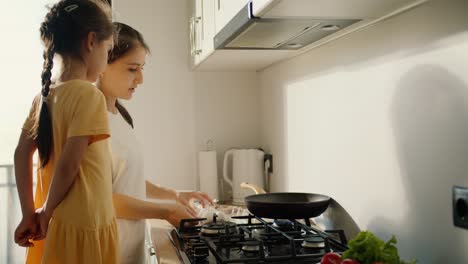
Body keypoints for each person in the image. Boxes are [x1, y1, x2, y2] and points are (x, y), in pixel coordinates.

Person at [96, 22, 214, 263]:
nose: (140, 79)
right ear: (100, 65)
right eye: (132, 69)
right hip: (107, 251)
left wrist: (172, 194)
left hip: (129, 247)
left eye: (141, 68)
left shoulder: (119, 116)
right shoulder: (91, 123)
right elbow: (101, 199)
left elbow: (124, 177)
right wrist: (166, 210)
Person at [13, 1, 118, 263]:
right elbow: (69, 164)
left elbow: (21, 153)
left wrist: (30, 213)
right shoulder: (89, 95)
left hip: (57, 225)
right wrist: (45, 212)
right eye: (108, 49)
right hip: (84, 224)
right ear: (91, 41)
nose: (105, 62)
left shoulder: (44, 97)